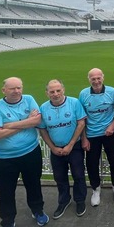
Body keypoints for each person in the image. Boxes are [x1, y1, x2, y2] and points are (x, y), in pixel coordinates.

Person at [0, 77, 49, 227]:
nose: (16, 91)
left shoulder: (28, 99)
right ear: (4, 90)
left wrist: (9, 125)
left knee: (34, 184)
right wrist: (26, 122)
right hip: (4, 158)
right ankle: (8, 220)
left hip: (30, 152)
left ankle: (38, 210)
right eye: (12, 88)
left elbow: (37, 121)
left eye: (19, 88)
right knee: (6, 191)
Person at [38, 79, 88, 219]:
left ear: (63, 90)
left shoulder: (74, 102)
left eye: (58, 90)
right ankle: (63, 201)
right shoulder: (44, 107)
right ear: (47, 93)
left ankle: (80, 200)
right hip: (56, 149)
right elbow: (43, 130)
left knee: (78, 175)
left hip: (74, 146)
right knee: (60, 177)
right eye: (52, 91)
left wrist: (71, 144)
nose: (55, 94)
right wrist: (52, 147)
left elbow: (81, 123)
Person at [78, 68, 114, 207]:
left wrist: (112, 125)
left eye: (98, 78)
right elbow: (81, 118)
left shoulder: (111, 92)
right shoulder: (84, 94)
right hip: (92, 135)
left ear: (103, 77)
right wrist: (84, 138)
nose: (96, 81)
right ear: (89, 79)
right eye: (93, 79)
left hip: (109, 133)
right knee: (91, 164)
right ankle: (96, 189)